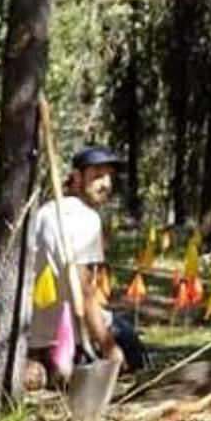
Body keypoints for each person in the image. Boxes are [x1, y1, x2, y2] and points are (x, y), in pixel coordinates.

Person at [26, 144, 135, 378]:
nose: (106, 184)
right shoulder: (87, 219)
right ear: (76, 179)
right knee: (130, 339)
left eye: (109, 177)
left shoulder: (45, 211)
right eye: (97, 176)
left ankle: (43, 362)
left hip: (34, 331)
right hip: (68, 331)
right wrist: (108, 347)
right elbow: (84, 293)